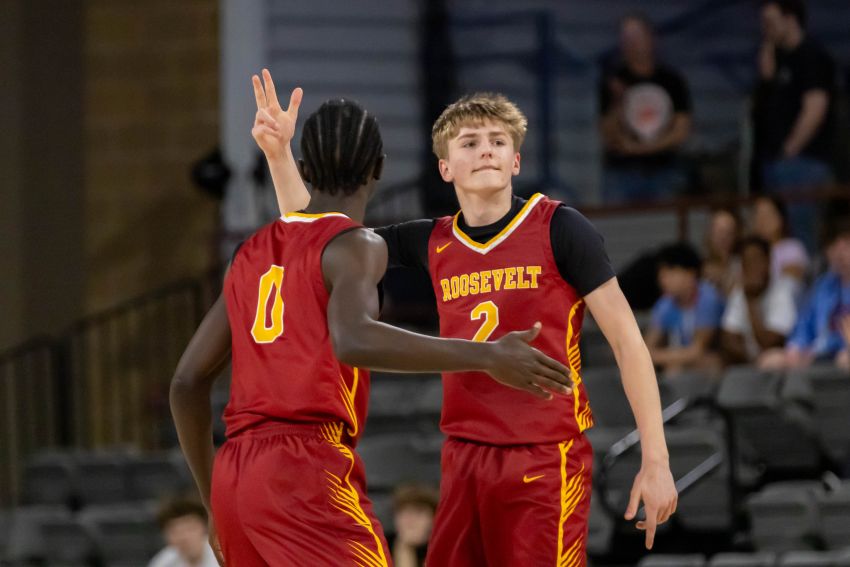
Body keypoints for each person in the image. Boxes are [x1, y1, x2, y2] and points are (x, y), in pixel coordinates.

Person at [170, 72, 572, 566]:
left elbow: (186, 382)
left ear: (305, 168)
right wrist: (486, 355)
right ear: (379, 167)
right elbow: (354, 339)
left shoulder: (250, 254)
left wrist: (214, 499)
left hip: (234, 474)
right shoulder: (359, 245)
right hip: (304, 468)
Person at [268, 88, 677, 563]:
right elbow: (319, 239)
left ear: (515, 160)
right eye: (470, 142)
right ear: (445, 168)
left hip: (545, 456)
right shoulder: (430, 239)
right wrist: (279, 156)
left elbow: (628, 343)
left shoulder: (560, 228)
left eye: (498, 141)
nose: (486, 150)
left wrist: (656, 459)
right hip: (464, 456)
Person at [752, 0, 836, 249]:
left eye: (771, 22)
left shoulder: (812, 56)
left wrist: (790, 148)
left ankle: (807, 274)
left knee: (802, 235)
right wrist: (767, 69)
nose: (766, 29)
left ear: (790, 19)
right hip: (773, 160)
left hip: (803, 162)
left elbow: (815, 108)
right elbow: (764, 104)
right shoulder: (777, 58)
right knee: (771, 234)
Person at [598, 13, 692, 204]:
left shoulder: (672, 81)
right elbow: (607, 133)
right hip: (622, 172)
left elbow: (682, 130)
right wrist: (618, 101)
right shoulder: (613, 82)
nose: (631, 44)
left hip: (665, 170)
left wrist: (644, 149)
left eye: (636, 37)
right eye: (626, 38)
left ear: (651, 39)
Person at [761, 218, 850, 370]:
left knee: (844, 359)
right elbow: (803, 326)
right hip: (818, 353)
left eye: (847, 245)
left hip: (843, 353)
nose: (840, 253)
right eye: (834, 246)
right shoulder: (823, 285)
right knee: (770, 360)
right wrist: (795, 348)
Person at [645, 242, 725, 375]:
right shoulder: (664, 304)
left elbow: (697, 351)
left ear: (690, 273)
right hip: (683, 360)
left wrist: (656, 356)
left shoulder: (708, 298)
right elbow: (647, 348)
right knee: (672, 369)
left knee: (710, 362)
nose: (663, 280)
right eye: (661, 275)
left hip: (716, 362)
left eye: (670, 273)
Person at [720, 236, 798, 364]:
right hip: (750, 364)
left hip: (782, 367)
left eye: (756, 260)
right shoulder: (739, 293)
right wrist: (752, 359)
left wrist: (750, 301)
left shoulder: (783, 291)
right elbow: (729, 339)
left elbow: (770, 343)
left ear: (768, 262)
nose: (752, 267)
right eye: (747, 262)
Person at [752, 195, 809, 295]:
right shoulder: (750, 252)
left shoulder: (793, 247)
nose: (762, 220)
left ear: (781, 218)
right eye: (758, 215)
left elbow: (791, 281)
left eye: (767, 214)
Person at [148, 499, 218, 567]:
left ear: (205, 527)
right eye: (175, 532)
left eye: (190, 528)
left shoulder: (220, 555)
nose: (183, 537)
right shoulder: (163, 562)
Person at [389, 484, 439, 567]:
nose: (409, 519)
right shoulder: (379, 550)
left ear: (433, 518)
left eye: (418, 512)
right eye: (402, 512)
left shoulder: (446, 551)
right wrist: (404, 547)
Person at [702, 206, 742, 297]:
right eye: (719, 232)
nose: (723, 238)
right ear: (709, 234)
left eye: (729, 233)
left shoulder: (741, 267)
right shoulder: (698, 268)